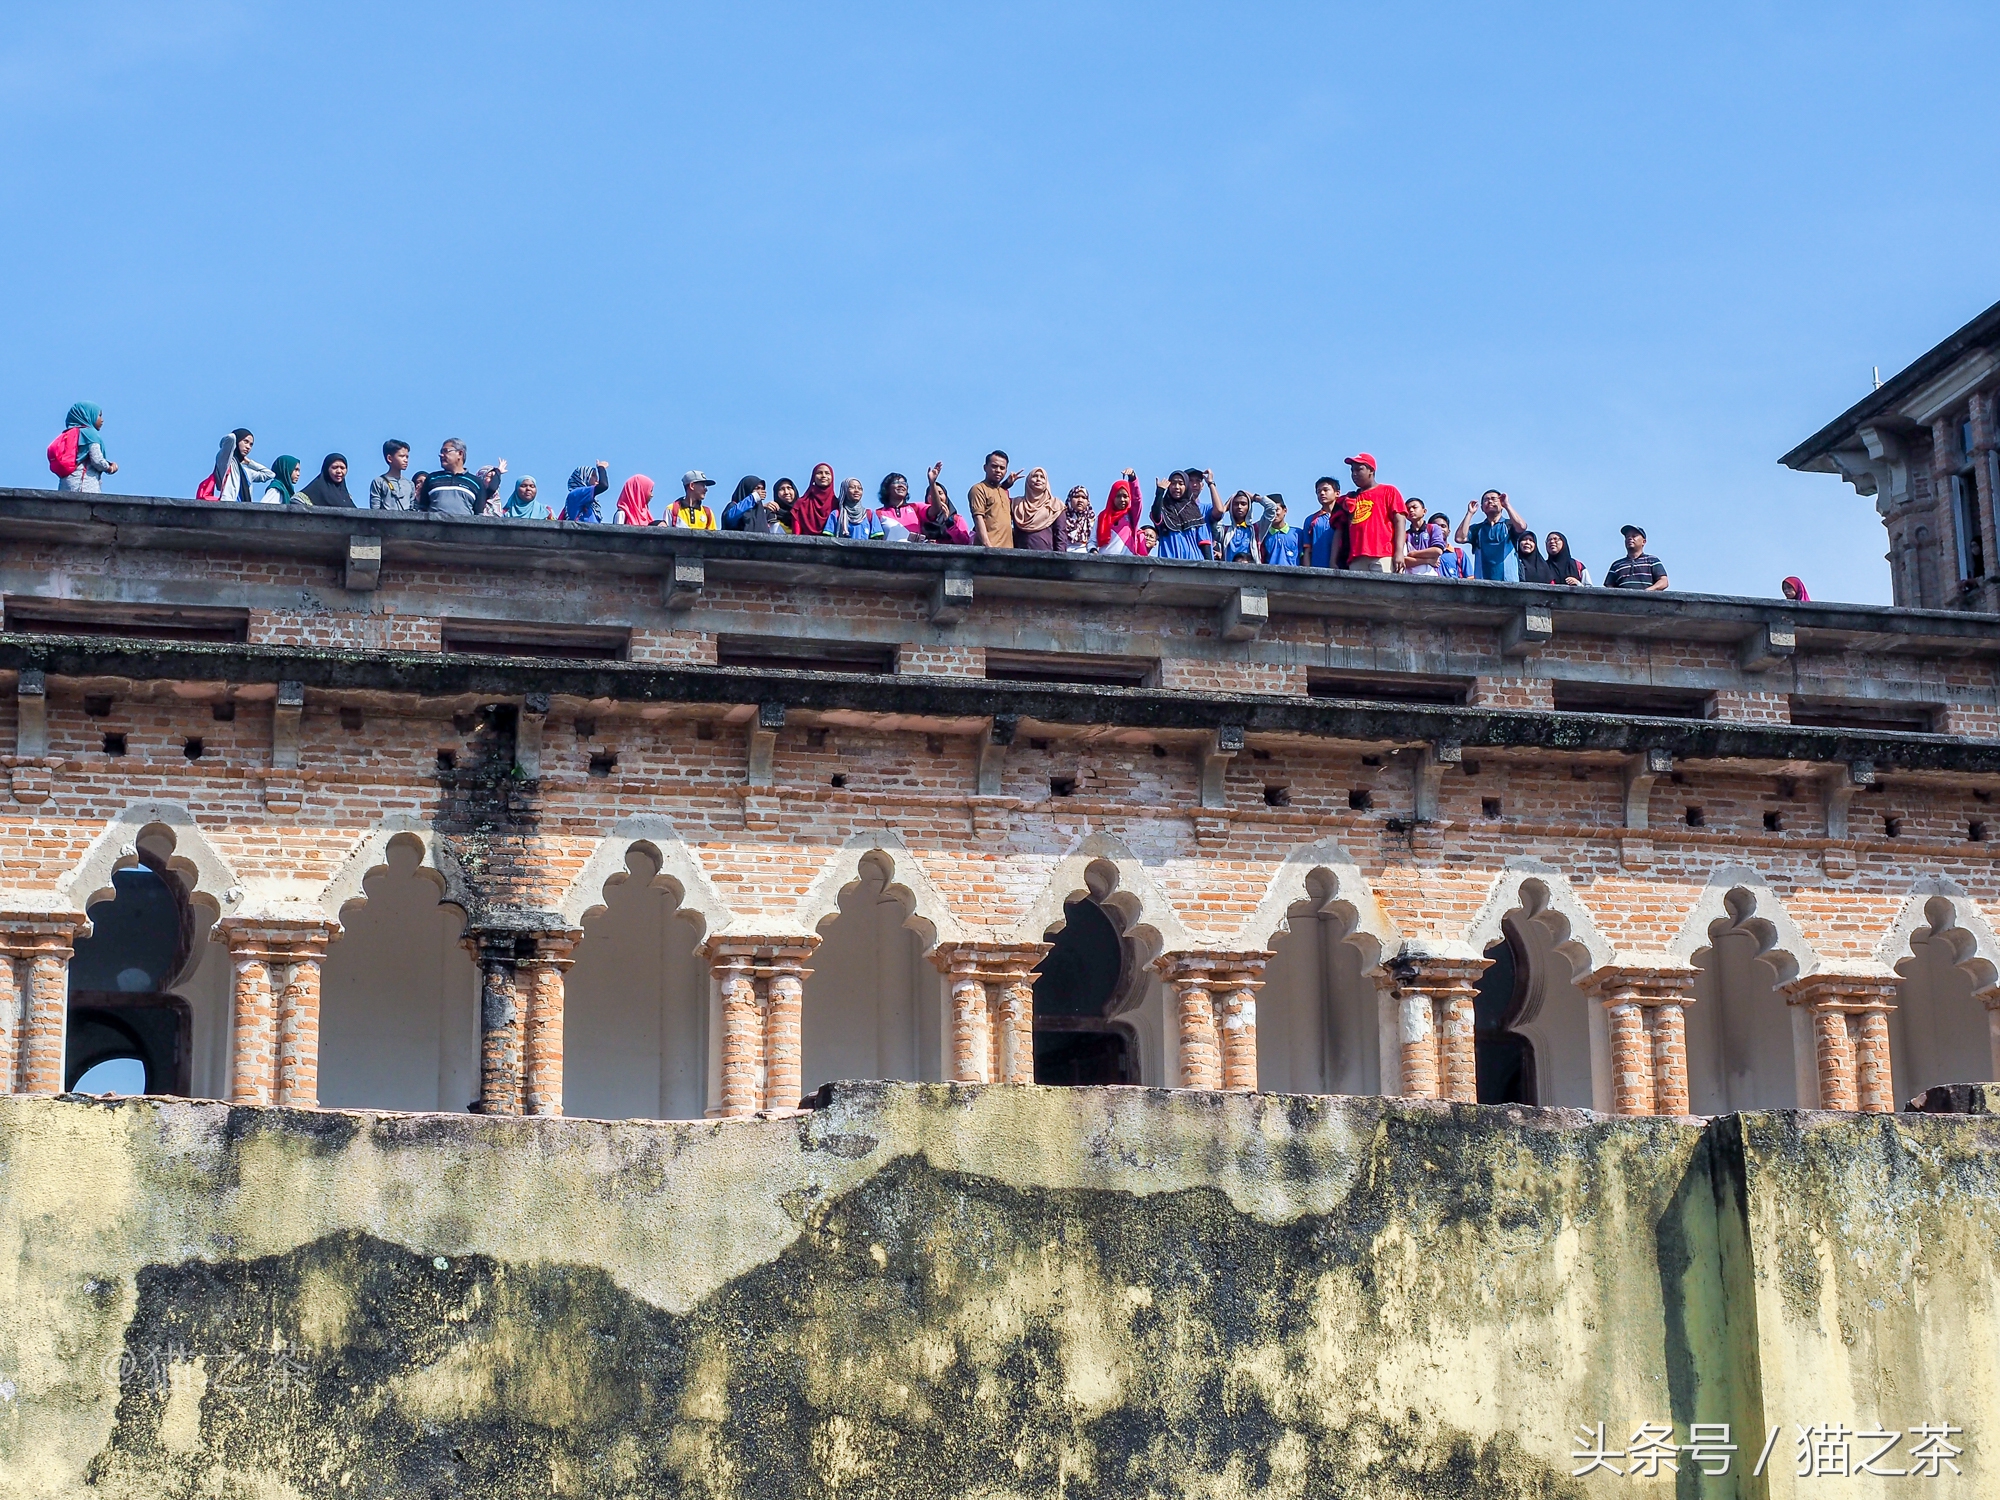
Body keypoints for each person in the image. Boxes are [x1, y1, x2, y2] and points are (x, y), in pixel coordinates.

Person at [1338, 453, 1407, 572]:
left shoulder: (1389, 491)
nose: (1354, 474)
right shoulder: (1350, 498)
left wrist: (1399, 552)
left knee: (1385, 589)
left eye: (1359, 469)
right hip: (1357, 557)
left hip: (1383, 554)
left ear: (1371, 470)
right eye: (1352, 470)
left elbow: (1400, 522)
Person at [420, 439, 504, 516]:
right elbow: (423, 508)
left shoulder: (476, 483)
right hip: (435, 530)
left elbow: (478, 514)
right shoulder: (432, 478)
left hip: (465, 530)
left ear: (460, 454)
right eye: (441, 452)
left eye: (446, 451)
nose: (441, 455)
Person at [1456, 490, 1525, 581]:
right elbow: (1459, 538)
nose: (1490, 501)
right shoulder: (1478, 529)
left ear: (1501, 504)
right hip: (1483, 584)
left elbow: (1522, 527)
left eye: (1494, 499)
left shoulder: (1509, 525)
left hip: (1509, 584)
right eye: (1486, 500)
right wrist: (1469, 513)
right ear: (1482, 507)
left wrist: (1507, 505)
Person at [1151, 470, 1215, 560]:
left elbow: (1204, 542)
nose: (1176, 487)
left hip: (1194, 565)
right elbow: (1156, 516)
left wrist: (1210, 568)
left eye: (1181, 483)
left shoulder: (1195, 511)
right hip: (1168, 565)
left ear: (1186, 487)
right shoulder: (1164, 509)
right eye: (1173, 483)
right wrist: (1159, 492)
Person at [54, 403, 117, 492]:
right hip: (84, 486)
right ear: (88, 415)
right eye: (99, 415)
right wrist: (110, 468)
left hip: (66, 485)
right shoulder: (90, 434)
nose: (102, 420)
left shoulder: (68, 434)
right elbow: (97, 460)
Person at [968, 450, 1022, 548]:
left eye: (1002, 468)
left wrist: (1006, 484)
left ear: (1006, 471)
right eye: (994, 466)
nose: (998, 470)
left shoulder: (1003, 491)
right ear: (985, 467)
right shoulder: (979, 489)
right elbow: (978, 518)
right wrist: (987, 545)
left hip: (1008, 551)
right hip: (989, 550)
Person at [209, 430, 273, 504]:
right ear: (237, 441)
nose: (248, 447)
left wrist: (249, 462)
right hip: (229, 506)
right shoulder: (226, 462)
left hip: (245, 509)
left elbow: (269, 474)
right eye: (245, 442)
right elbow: (230, 437)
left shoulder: (247, 472)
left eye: (251, 444)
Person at [1299, 476, 1347, 570]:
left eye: (1326, 490)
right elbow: (1307, 549)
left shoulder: (1345, 517)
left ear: (1337, 493)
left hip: (1342, 568)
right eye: (1318, 491)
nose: (1322, 493)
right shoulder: (1310, 520)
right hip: (1317, 569)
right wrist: (1307, 571)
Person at [1605, 524, 1669, 590]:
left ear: (1643, 542)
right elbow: (1609, 586)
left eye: (1634, 536)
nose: (1630, 538)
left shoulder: (1652, 561)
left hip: (1646, 600)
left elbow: (1663, 581)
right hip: (1624, 600)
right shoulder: (1616, 564)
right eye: (1627, 536)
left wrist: (1647, 592)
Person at [1012, 467, 1063, 550]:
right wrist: (1007, 484)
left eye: (1042, 477)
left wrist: (1061, 560)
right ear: (1028, 480)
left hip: (1046, 558)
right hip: (1020, 558)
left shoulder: (1055, 505)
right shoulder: (1016, 504)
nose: (1038, 479)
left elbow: (1060, 535)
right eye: (1035, 476)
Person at [1210, 490, 1267, 563]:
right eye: (1236, 504)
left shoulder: (1256, 529)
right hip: (1230, 571)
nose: (1239, 507)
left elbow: (1271, 508)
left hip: (1251, 572)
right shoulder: (1225, 531)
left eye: (1243, 504)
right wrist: (1224, 508)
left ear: (1249, 507)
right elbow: (1214, 525)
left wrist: (1255, 498)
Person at [921, 466, 974, 544]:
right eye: (933, 494)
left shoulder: (956, 519)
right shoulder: (921, 519)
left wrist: (949, 522)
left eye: (940, 493)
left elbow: (964, 542)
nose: (937, 497)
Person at [1096, 471, 1144, 554]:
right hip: (1105, 563)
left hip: (1127, 562)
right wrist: (1093, 550)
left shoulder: (1132, 515)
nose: (1122, 499)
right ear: (1112, 497)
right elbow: (1092, 541)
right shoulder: (1103, 516)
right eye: (1118, 496)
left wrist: (1132, 478)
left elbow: (1137, 500)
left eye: (1125, 496)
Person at [1401, 498, 1445, 576]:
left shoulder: (1433, 528)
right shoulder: (1405, 535)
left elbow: (1437, 551)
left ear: (1424, 511)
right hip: (1410, 578)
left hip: (1432, 577)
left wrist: (1413, 554)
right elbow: (1404, 560)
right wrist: (1427, 560)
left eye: (1414, 507)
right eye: (1408, 509)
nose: (1411, 510)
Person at [794, 463, 840, 537]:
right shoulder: (801, 503)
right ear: (813, 477)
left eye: (827, 473)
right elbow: (796, 535)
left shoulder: (837, 504)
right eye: (819, 473)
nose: (823, 476)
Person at [875, 474, 926, 538]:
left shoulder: (916, 507)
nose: (901, 485)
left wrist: (932, 483)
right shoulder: (877, 514)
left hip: (915, 547)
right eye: (896, 482)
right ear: (887, 488)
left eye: (904, 483)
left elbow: (935, 510)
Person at [370, 440, 415, 510]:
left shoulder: (410, 484)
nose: (405, 460)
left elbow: (412, 510)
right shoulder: (379, 482)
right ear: (389, 458)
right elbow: (375, 511)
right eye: (401, 456)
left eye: (407, 457)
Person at [1261, 495, 1301, 566]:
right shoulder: (1263, 535)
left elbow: (1303, 557)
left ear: (1285, 510)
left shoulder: (1298, 533)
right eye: (1270, 511)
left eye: (1276, 510)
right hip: (1269, 575)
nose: (1273, 514)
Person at [1056, 486, 1095, 552]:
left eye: (1083, 497)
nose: (1080, 500)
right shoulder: (1061, 518)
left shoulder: (1092, 520)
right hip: (1064, 556)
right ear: (1070, 499)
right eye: (1076, 497)